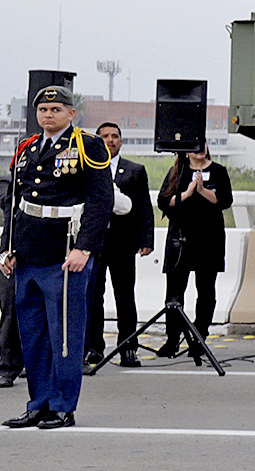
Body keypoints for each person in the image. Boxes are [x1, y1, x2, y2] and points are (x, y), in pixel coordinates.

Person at [0, 84, 113, 430]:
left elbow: (100, 201)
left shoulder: (87, 146)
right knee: (32, 333)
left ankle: (63, 406)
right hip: (29, 250)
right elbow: (16, 204)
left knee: (64, 334)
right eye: (43, 110)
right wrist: (8, 247)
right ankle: (38, 403)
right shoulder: (27, 148)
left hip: (65, 251)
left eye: (56, 109)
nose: (49, 115)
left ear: (70, 113)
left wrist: (85, 248)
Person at [85, 121, 154, 368]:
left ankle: (128, 347)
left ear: (121, 141)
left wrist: (146, 239)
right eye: (105, 136)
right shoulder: (87, 168)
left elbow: (144, 207)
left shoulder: (134, 170)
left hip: (123, 243)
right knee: (93, 296)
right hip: (93, 243)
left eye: (115, 136)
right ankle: (94, 347)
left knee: (125, 296)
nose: (110, 140)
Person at [154, 147, 234, 359]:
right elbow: (164, 202)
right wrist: (188, 192)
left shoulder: (218, 171)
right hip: (180, 238)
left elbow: (225, 200)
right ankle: (173, 339)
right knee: (174, 292)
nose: (199, 151)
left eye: (203, 146)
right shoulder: (177, 172)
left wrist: (201, 190)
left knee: (206, 290)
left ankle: (199, 338)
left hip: (209, 238)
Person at [0, 172, 22, 387]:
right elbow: (7, 202)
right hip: (8, 258)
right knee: (10, 313)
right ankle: (7, 367)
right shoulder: (6, 182)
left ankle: (34, 363)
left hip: (41, 257)